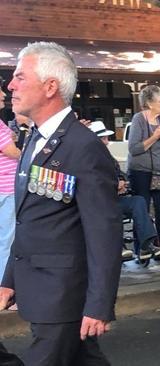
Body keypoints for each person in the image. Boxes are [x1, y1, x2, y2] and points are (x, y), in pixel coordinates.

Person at [0, 41, 122, 365]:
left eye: (20, 77)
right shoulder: (34, 139)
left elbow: (104, 232)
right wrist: (9, 279)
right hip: (40, 288)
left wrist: (100, 304)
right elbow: (31, 219)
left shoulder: (84, 147)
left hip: (63, 296)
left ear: (50, 86)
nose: (10, 85)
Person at [89, 121, 160, 263]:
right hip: (98, 202)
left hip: (114, 199)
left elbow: (122, 174)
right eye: (103, 139)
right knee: (108, 209)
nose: (107, 142)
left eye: (106, 138)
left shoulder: (109, 157)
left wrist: (122, 181)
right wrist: (114, 184)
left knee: (138, 201)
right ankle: (117, 248)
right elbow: (92, 181)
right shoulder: (89, 158)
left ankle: (146, 244)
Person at [128, 85, 160, 259]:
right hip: (140, 173)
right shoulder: (138, 119)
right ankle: (141, 250)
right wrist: (155, 136)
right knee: (142, 211)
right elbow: (134, 149)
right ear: (149, 103)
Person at [0, 89, 21, 282]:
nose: (3, 95)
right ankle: (4, 284)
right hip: (6, 188)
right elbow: (11, 152)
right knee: (7, 239)